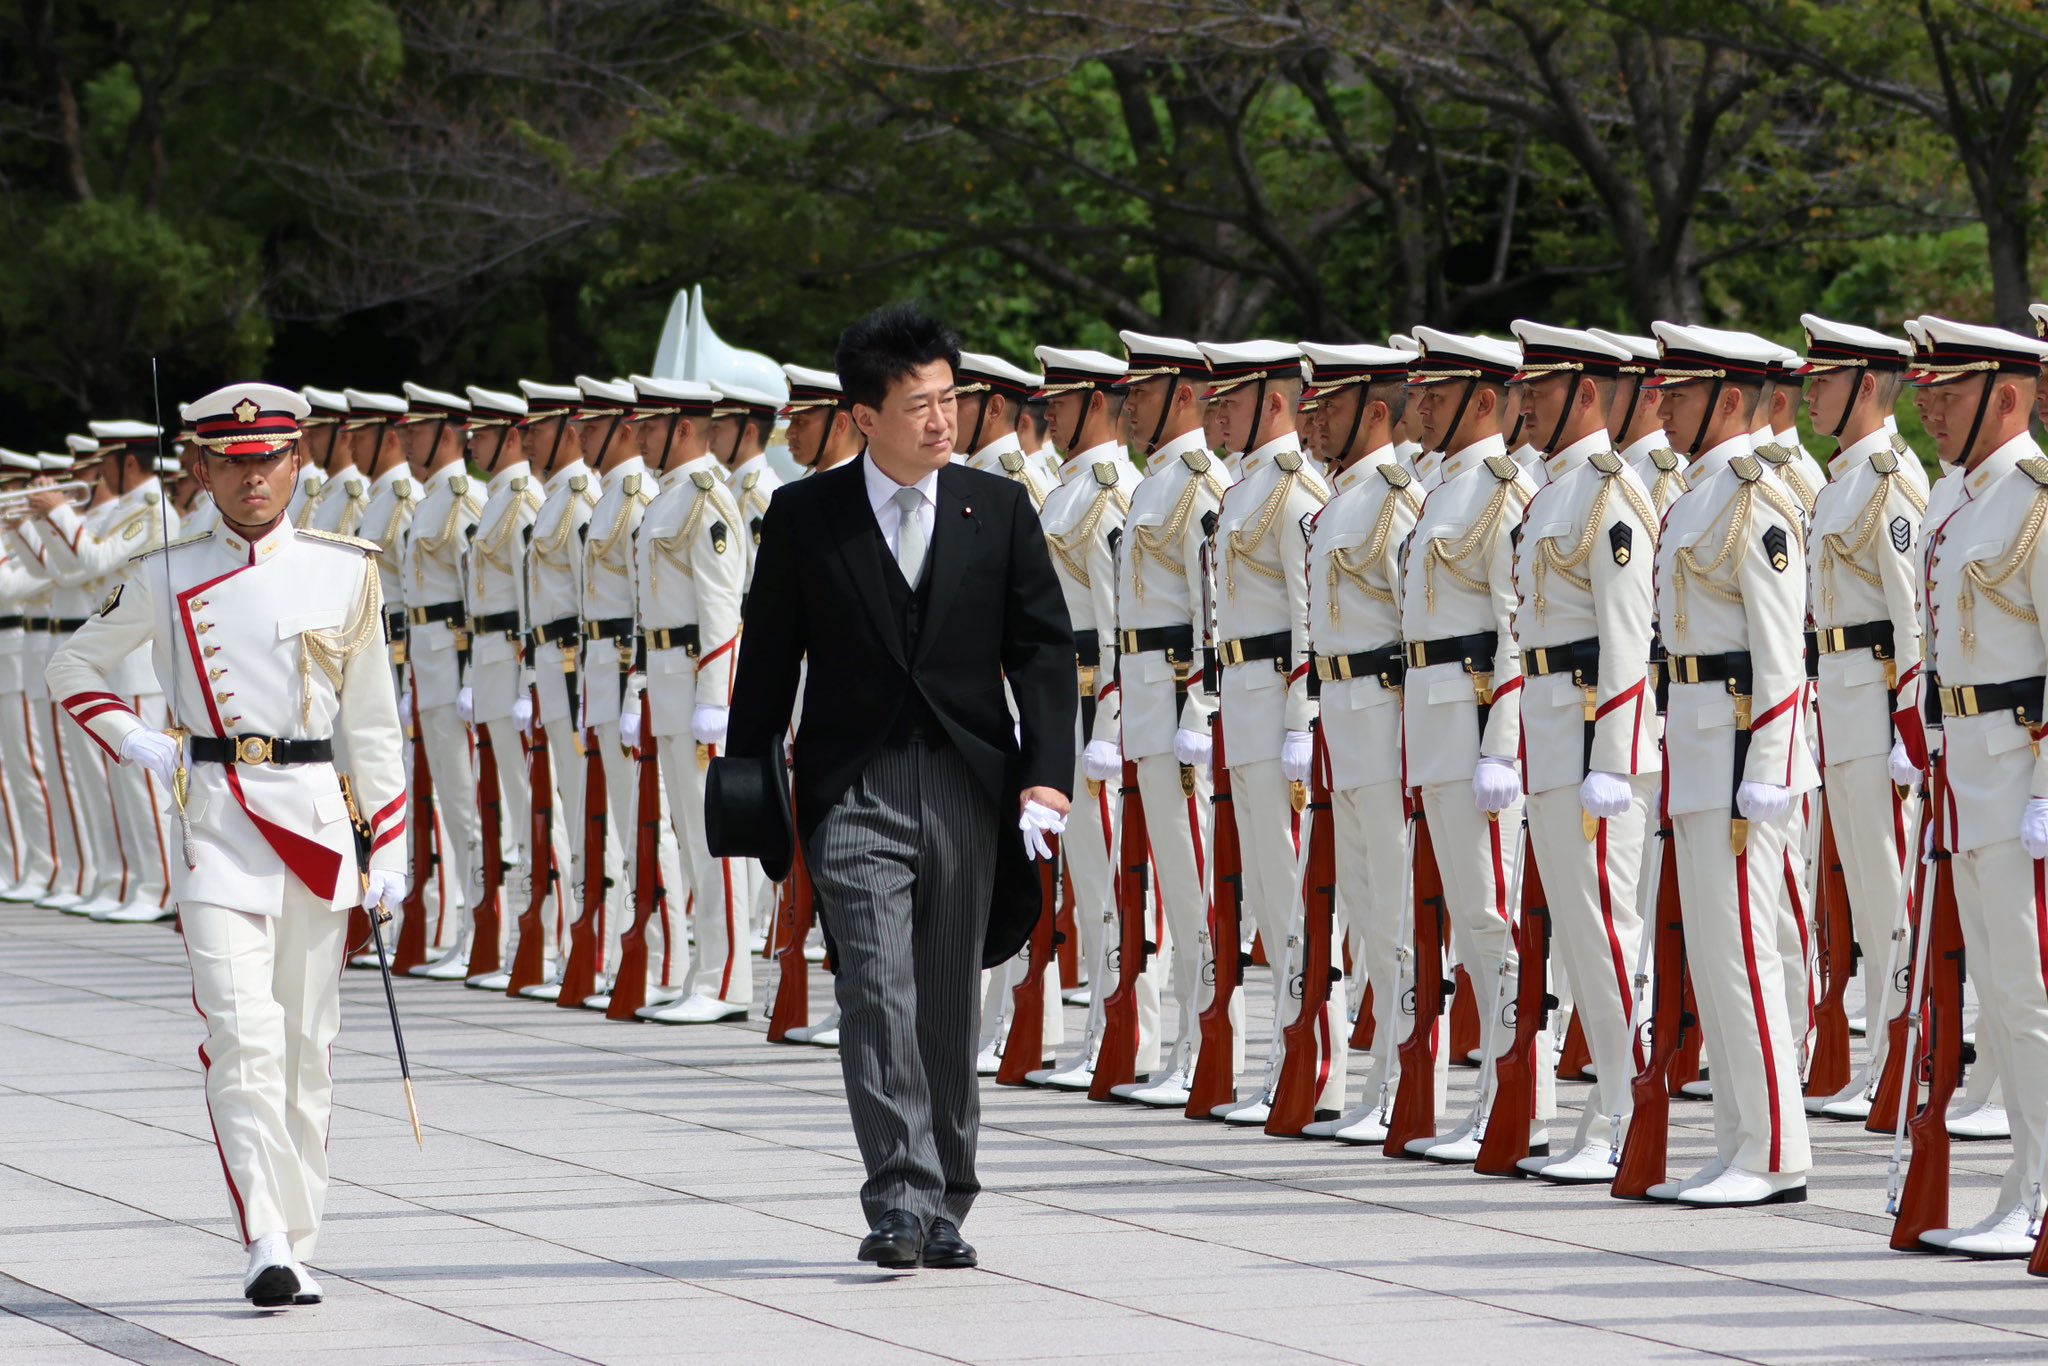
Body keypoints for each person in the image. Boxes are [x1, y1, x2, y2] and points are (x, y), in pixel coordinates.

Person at [723, 302, 1075, 1270]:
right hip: (852, 786)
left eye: (948, 399)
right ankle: (897, 1197)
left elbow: (1043, 650)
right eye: (917, 403)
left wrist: (1046, 778)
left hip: (967, 783)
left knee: (946, 1002)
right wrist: (747, 779)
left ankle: (948, 1199)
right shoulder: (805, 515)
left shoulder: (994, 507)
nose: (940, 420)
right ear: (862, 416)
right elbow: (769, 655)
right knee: (875, 990)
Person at [47, 382, 406, 1305]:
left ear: (300, 462)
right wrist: (138, 737)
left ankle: (302, 1232)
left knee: (306, 1048)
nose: (255, 479)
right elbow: (72, 665)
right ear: (200, 468)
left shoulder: (345, 571)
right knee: (241, 1036)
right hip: (217, 824)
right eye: (234, 463)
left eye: (273, 460)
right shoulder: (165, 571)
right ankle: (267, 1238)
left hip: (319, 830)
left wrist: (391, 854)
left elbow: (372, 729)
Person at [1646, 321, 1816, 1206]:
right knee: (1713, 956)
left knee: (1746, 954)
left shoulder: (1756, 497)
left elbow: (1781, 654)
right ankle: (1739, 1139)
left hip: (1742, 756)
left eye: (1678, 392)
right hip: (1699, 747)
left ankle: (1778, 1151)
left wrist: (1769, 767)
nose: (1661, 405)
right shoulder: (1697, 495)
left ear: (1729, 398)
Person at [1501, 322, 1661, 1181]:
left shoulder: (1610, 494)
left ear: (1586, 394)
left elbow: (1628, 640)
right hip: (1555, 739)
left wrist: (1612, 757)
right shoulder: (1555, 491)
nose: (1523, 399)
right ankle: (1610, 1114)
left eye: (1541, 386)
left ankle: (1628, 1119)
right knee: (1581, 937)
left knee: (1606, 934)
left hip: (1597, 751)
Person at [1914, 315, 2048, 1256]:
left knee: (2028, 996)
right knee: (1999, 998)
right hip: (1966, 772)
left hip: (2017, 772)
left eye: (1949, 393)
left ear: (2006, 397)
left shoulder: (2037, 498)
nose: (1928, 405)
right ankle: (2025, 1187)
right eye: (1925, 390)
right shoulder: (1953, 500)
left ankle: (2040, 1195)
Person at [1792, 316, 1926, 1122]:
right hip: (1840, 707)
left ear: (1867, 388)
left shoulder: (1890, 483)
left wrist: (1913, 731)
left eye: (1826, 381)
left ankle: (1913, 1059)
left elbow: (1913, 623)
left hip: (1879, 709)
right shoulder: (1843, 479)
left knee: (1892, 896)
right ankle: (1889, 1057)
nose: (1812, 394)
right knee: (1865, 901)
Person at [1293, 341, 1422, 1145]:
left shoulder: (1397, 498)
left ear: (1375, 412)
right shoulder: (1342, 498)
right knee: (1369, 910)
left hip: (1385, 714)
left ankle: (1407, 1076)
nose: (1315, 419)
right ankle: (1383, 1080)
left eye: (1331, 406)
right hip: (1342, 713)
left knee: (1397, 911)